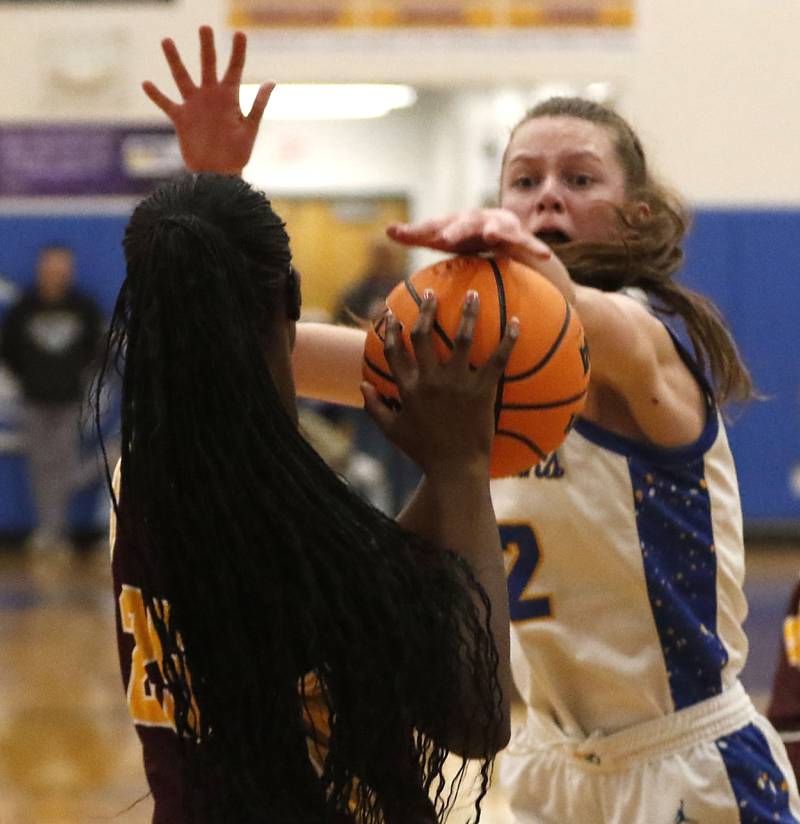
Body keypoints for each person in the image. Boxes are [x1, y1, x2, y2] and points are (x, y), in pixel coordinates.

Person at [100, 27, 516, 823]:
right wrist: (460, 470)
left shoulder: (147, 475)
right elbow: (477, 717)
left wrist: (215, 193)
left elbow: (216, 315)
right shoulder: (294, 533)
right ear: (292, 303)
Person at [387, 99, 800, 822]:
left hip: (684, 770)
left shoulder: (649, 334)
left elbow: (586, 324)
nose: (547, 192)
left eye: (580, 179)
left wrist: (532, 261)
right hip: (553, 766)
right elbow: (296, 357)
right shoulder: (483, 354)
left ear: (637, 215)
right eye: (524, 179)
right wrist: (215, 206)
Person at [0, 244, 102, 554]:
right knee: (39, 465)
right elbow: (9, 350)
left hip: (70, 399)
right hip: (34, 400)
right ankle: (49, 531)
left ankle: (60, 528)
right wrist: (31, 377)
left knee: (66, 463)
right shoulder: (24, 309)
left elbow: (94, 350)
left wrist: (74, 376)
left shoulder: (83, 307)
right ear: (41, 268)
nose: (57, 272)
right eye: (51, 265)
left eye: (62, 266)